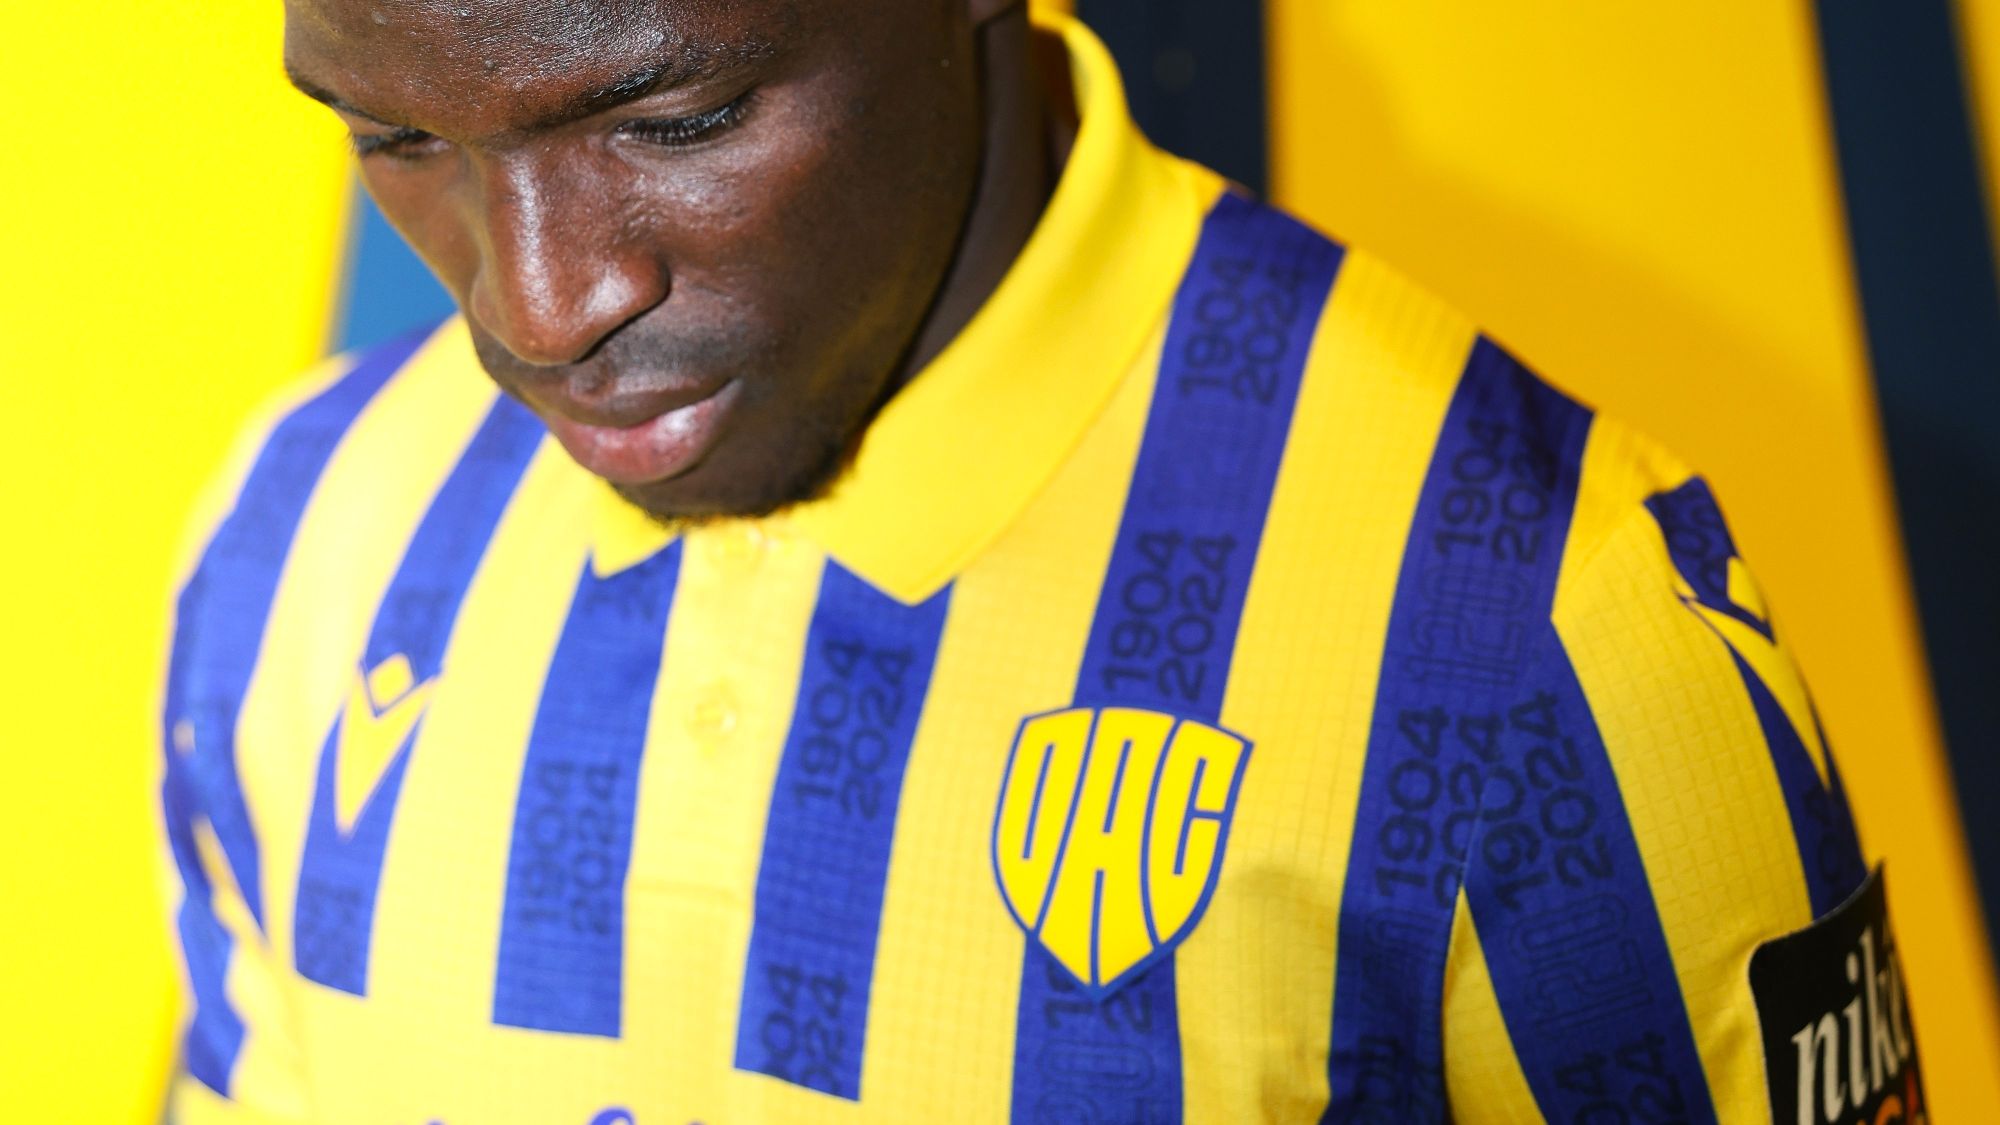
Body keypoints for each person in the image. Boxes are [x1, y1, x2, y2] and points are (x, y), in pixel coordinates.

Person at [160, 1, 1925, 1122]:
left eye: (675, 120)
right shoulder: (303, 534)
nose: (541, 306)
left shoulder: (1542, 628)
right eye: (400, 136)